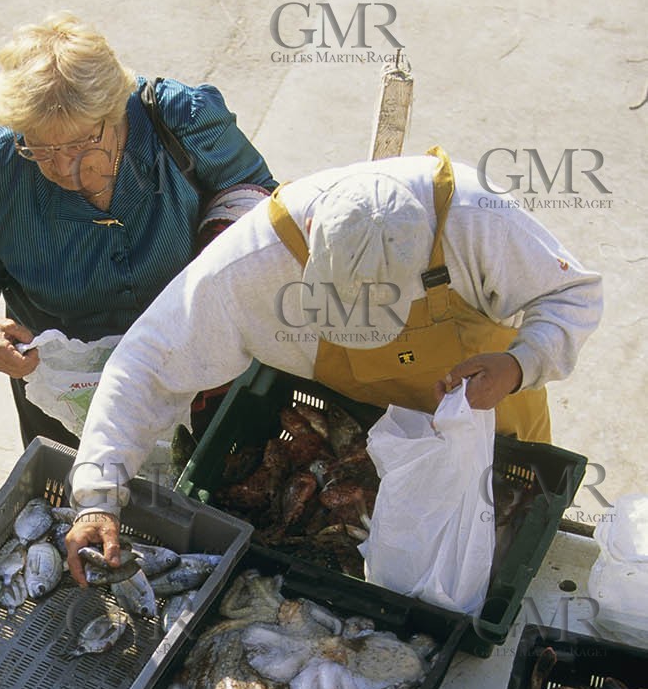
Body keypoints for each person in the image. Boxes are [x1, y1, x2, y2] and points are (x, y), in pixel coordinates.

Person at [65, 146, 603, 579]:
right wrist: (96, 495)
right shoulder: (254, 260)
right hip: (367, 423)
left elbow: (574, 294)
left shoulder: (475, 218)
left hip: (494, 411)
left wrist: (519, 363)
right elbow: (147, 363)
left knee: (511, 536)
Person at [0, 12, 277, 448]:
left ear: (115, 111)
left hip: (197, 363)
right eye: (40, 149)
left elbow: (261, 198)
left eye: (82, 142)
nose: (63, 166)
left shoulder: (181, 119)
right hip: (69, 391)